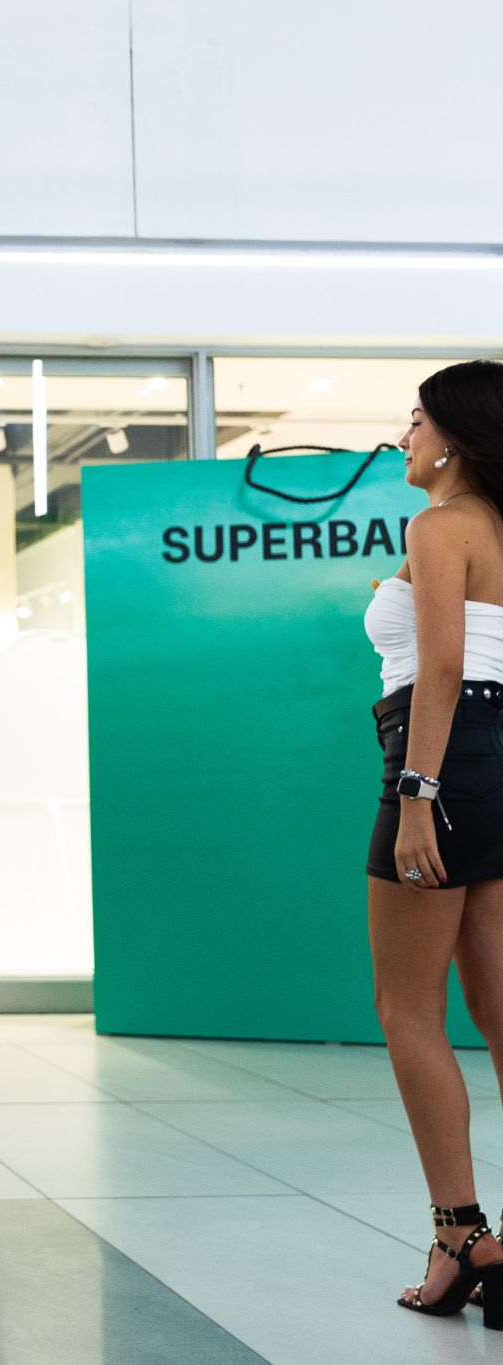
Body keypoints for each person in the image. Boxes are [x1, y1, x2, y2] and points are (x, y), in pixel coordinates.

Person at [360, 361, 503, 1322]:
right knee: (498, 1007)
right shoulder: (497, 525)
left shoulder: (441, 524)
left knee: (408, 1007)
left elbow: (442, 667)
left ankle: (462, 1237)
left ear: (451, 436)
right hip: (495, 754)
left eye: (414, 421)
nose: (403, 437)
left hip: (439, 755)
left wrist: (417, 791)